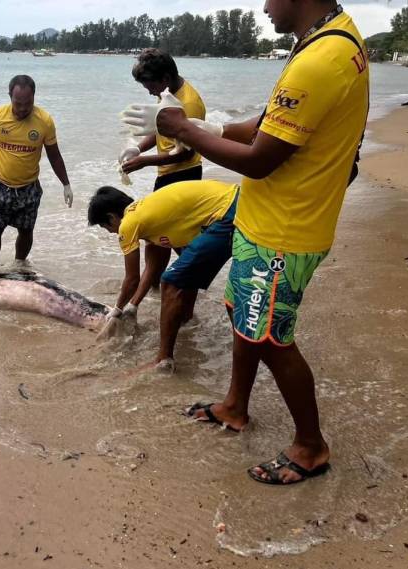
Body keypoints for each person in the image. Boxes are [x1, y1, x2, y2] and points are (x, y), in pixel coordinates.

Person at [124, 0, 369, 484]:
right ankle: (235, 405)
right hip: (263, 219)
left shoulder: (319, 60)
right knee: (243, 315)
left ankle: (310, 446)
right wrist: (211, 128)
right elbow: (266, 124)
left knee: (272, 339)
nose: (263, 6)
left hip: (284, 230)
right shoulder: (328, 39)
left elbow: (259, 159)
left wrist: (186, 130)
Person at [87, 180, 239, 374]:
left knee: (170, 282)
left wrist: (117, 309)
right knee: (184, 269)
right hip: (235, 201)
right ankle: (186, 318)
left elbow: (132, 278)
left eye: (104, 227)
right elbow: (154, 265)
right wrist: (133, 305)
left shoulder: (128, 224)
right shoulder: (150, 214)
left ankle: (163, 360)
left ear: (111, 217)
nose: (109, 232)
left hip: (226, 213)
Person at [0, 75, 73, 272]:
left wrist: (66, 184)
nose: (22, 109)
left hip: (28, 186)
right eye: (17, 103)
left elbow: (54, 156)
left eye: (27, 104)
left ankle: (19, 265)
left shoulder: (44, 121)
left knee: (26, 230)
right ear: (10, 96)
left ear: (34, 98)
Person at [119, 49, 207, 191]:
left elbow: (187, 153)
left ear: (165, 78)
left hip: (185, 175)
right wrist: (138, 149)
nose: (150, 92)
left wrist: (145, 161)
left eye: (151, 87)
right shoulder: (167, 92)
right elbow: (162, 127)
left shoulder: (189, 104)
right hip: (166, 173)